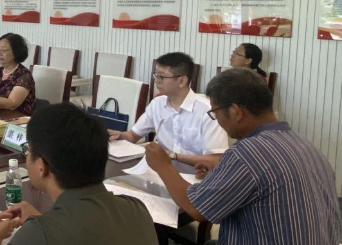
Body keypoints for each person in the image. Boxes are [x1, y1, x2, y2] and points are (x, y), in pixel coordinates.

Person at [145, 68, 341, 244]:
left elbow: (196, 209)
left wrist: (163, 165)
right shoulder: (306, 146)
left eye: (215, 113)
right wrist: (223, 171)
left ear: (235, 111)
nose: (216, 120)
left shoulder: (246, 153)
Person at [0, 104, 158, 245]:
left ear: (42, 167)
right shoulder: (137, 209)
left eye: (28, 150)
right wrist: (44, 221)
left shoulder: (35, 235)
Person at [108, 52, 228, 167]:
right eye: (156, 75)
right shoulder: (157, 104)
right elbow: (133, 135)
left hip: (195, 176)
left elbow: (215, 159)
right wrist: (120, 135)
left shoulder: (208, 112)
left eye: (161, 76)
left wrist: (172, 156)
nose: (156, 81)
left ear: (182, 81)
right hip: (159, 172)